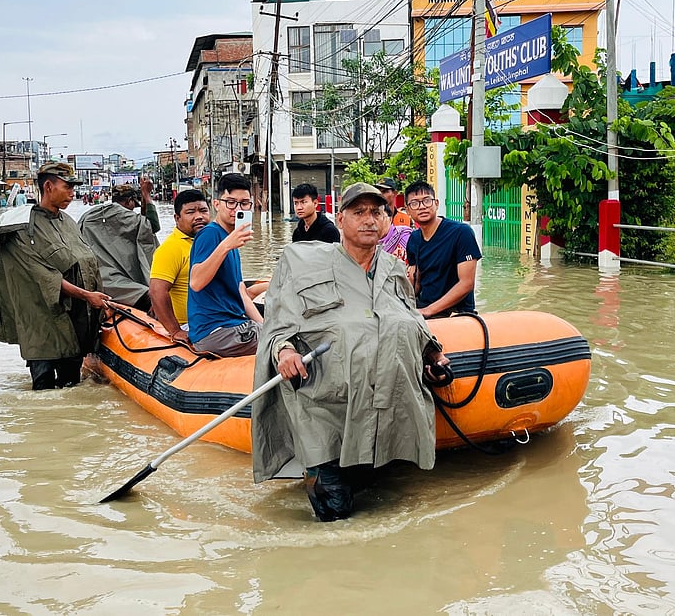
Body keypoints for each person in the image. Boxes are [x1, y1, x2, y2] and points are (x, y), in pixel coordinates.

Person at [252, 182, 451, 522]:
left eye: (376, 212)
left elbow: (409, 318)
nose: (369, 220)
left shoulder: (392, 269)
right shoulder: (304, 263)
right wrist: (284, 352)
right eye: (359, 213)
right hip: (326, 401)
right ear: (340, 220)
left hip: (379, 400)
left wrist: (433, 355)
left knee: (376, 500)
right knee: (335, 511)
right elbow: (280, 320)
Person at [0, 162, 110, 390]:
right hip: (41, 321)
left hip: (74, 319)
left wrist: (97, 301)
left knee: (72, 385)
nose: (72, 194)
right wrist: (87, 295)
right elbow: (43, 276)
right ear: (48, 186)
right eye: (67, 187)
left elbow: (87, 265)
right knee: (43, 388)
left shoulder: (68, 223)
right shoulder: (22, 228)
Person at [187, 173, 263, 357]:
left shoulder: (233, 240)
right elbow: (195, 282)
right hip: (216, 331)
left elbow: (241, 293)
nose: (237, 209)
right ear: (216, 204)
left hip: (234, 326)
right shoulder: (210, 234)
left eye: (244, 203)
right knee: (289, 342)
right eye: (231, 202)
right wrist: (226, 245)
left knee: (279, 332)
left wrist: (263, 325)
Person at [404, 180, 482, 318]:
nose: (422, 207)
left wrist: (428, 311)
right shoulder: (414, 239)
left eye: (427, 201)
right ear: (408, 210)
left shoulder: (461, 233)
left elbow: (466, 283)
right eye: (414, 203)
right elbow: (416, 284)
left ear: (436, 203)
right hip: (423, 308)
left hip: (456, 313)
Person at [78, 183, 159, 310]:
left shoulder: (89, 215)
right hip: (116, 283)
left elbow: (143, 226)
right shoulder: (123, 216)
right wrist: (147, 196)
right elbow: (152, 226)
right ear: (128, 201)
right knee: (154, 298)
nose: (133, 209)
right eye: (133, 205)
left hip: (94, 279)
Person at [148, 189, 210, 342]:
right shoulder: (171, 248)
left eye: (203, 210)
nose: (199, 217)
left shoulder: (212, 242)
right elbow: (157, 291)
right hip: (190, 325)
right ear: (177, 218)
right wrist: (175, 331)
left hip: (216, 319)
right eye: (190, 212)